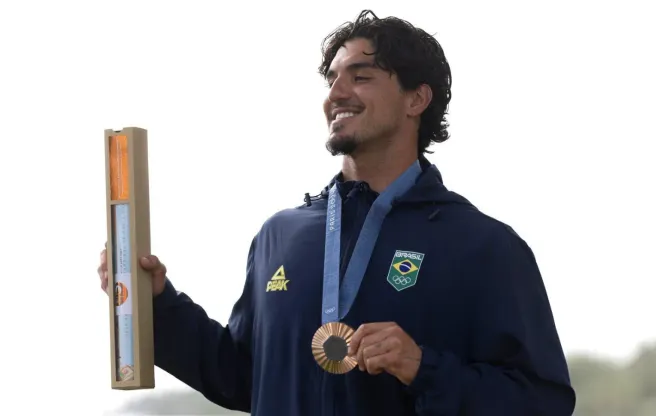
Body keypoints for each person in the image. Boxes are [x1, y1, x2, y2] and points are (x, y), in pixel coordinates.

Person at [98, 9, 576, 415]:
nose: (336, 93)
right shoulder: (278, 236)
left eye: (361, 77)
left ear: (417, 98)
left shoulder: (483, 246)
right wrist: (156, 303)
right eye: (333, 80)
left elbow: (543, 402)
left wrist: (422, 367)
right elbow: (243, 377)